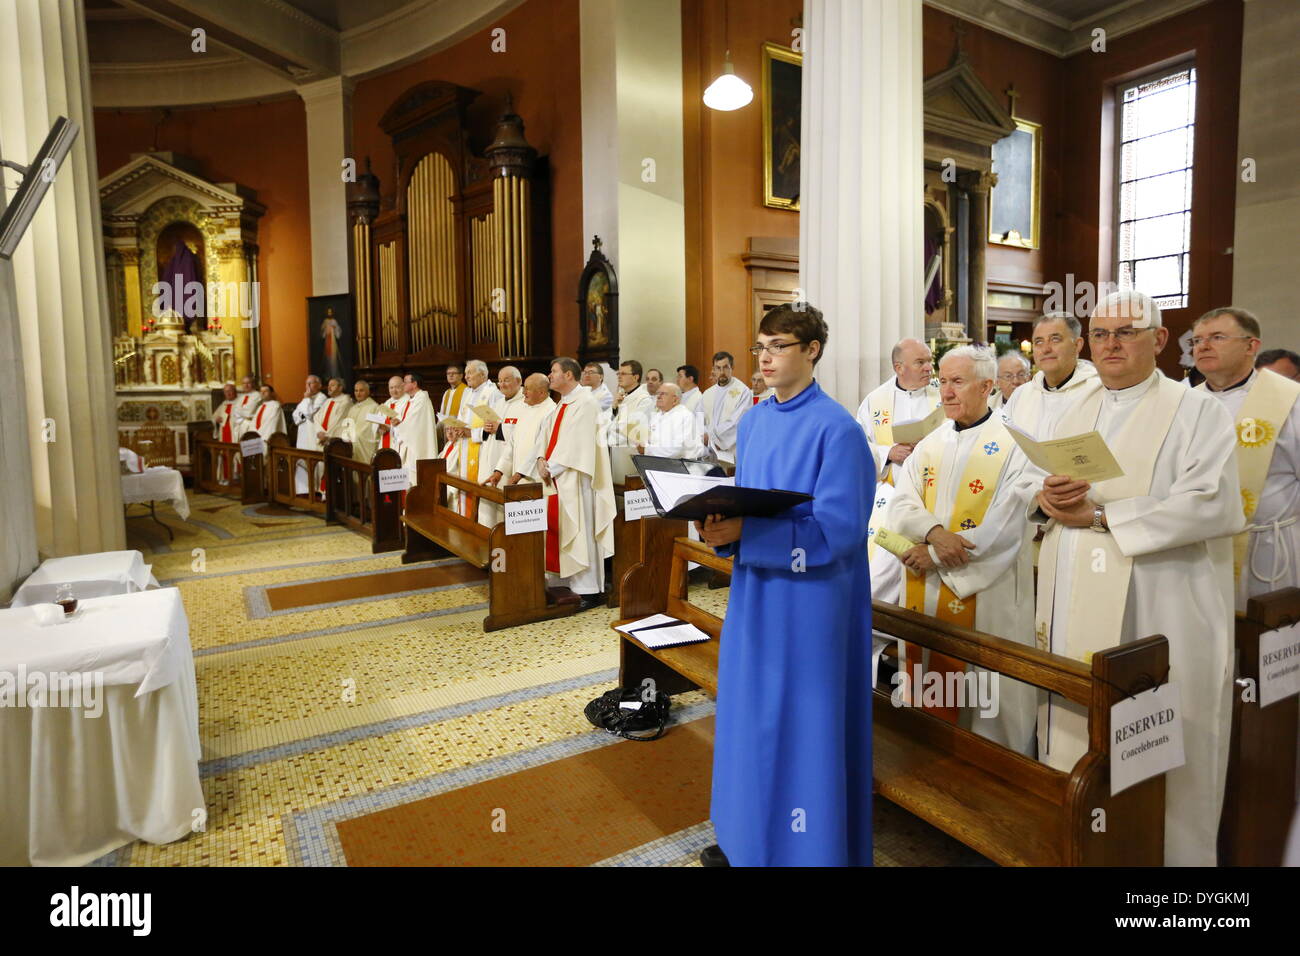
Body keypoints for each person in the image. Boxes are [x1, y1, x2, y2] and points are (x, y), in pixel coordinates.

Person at [1030, 290, 1242, 867]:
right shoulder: (1074, 409)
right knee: (1082, 744)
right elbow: (1037, 481)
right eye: (1100, 335)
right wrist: (1047, 496)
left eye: (1126, 332)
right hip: (1076, 595)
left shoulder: (1197, 410)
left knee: (1162, 744)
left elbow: (1213, 504)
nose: (1111, 344)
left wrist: (1102, 516)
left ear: (1161, 339)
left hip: (1161, 599)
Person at [695, 302, 873, 868]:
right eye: (760, 347)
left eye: (778, 346)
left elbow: (838, 534)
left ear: (812, 351)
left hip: (811, 602)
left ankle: (806, 855)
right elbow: (744, 502)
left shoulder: (839, 430)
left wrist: (751, 533)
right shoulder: (754, 421)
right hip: (756, 595)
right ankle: (747, 844)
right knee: (750, 716)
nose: (765, 358)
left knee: (802, 729)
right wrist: (719, 527)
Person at [883, 345, 1038, 753]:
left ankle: (996, 777)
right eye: (942, 381)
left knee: (987, 701)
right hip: (928, 588)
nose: (946, 392)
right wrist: (934, 533)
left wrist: (933, 555)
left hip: (987, 593)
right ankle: (928, 765)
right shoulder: (931, 442)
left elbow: (1008, 525)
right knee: (932, 690)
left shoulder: (1016, 444)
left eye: (957, 382)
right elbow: (900, 503)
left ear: (987, 386)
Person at [1192, 307, 1300, 609]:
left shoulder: (1289, 400)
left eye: (1217, 337)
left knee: (1264, 644)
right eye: (1197, 340)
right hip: (1197, 546)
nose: (1203, 346)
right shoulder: (1183, 401)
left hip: (1266, 549)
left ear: (1251, 346)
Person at [856, 338, 939, 604]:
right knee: (881, 571)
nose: (929, 367)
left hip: (933, 497)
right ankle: (881, 631)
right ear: (899, 367)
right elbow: (857, 447)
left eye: (929, 360)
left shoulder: (943, 397)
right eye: (921, 362)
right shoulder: (875, 401)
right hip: (890, 497)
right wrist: (888, 453)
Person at [535, 357, 616, 610]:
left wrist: (551, 466)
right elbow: (545, 432)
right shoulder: (563, 404)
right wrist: (540, 458)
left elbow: (577, 442)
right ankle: (565, 581)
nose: (550, 375)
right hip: (559, 477)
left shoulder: (586, 403)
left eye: (554, 371)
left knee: (581, 531)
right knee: (565, 529)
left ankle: (588, 590)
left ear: (569, 375)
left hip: (578, 478)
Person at [1003, 313, 1099, 439]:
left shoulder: (1098, 392)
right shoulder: (1021, 395)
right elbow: (1001, 443)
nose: (1045, 349)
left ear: (1077, 345)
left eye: (1055, 339)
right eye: (1039, 342)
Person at [454, 359, 506, 523]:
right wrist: (457, 428)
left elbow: (495, 426)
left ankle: (477, 526)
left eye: (470, 372)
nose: (466, 376)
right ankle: (465, 523)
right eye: (466, 372)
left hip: (482, 450)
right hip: (465, 447)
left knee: (479, 492)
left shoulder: (493, 393)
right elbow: (462, 419)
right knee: (465, 488)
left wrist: (472, 433)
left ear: (483, 374)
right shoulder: (468, 393)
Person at [486, 373, 555, 486]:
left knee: (534, 504)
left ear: (541, 393)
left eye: (527, 389)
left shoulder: (550, 412)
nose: (523, 392)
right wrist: (499, 471)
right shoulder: (525, 409)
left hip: (536, 479)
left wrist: (519, 474)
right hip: (518, 477)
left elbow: (539, 448)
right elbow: (512, 443)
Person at [699, 351, 751, 467]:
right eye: (718, 368)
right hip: (709, 452)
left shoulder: (742, 391)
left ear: (732, 368)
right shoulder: (708, 393)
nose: (722, 372)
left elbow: (738, 422)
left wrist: (713, 439)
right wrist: (704, 436)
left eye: (726, 367)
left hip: (731, 452)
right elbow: (699, 419)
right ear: (714, 369)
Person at [393, 372, 438, 487]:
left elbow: (413, 424)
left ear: (414, 384)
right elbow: (406, 419)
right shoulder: (410, 400)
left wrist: (399, 426)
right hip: (408, 443)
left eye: (405, 381)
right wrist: (397, 422)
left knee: (414, 480)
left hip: (416, 446)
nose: (403, 384)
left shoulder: (421, 399)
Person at [637, 383, 704, 458]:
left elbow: (677, 449)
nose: (658, 396)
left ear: (675, 399)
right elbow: (648, 440)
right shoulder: (657, 416)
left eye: (663, 394)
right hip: (657, 463)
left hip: (680, 466)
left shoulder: (685, 416)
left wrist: (647, 450)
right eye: (658, 393)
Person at [312, 377, 353, 494]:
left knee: (330, 469)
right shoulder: (328, 401)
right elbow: (316, 417)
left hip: (333, 441)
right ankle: (322, 491)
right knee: (320, 467)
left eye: (333, 385)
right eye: (329, 385)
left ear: (340, 387)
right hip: (322, 438)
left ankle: (330, 494)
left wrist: (327, 436)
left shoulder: (345, 401)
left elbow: (338, 421)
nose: (329, 387)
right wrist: (319, 432)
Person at [291, 375, 326, 494]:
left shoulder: (322, 398)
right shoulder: (307, 398)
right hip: (303, 435)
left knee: (313, 461)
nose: (308, 386)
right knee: (302, 460)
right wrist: (303, 413)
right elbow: (295, 415)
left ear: (319, 385)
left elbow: (310, 414)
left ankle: (315, 490)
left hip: (313, 435)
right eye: (307, 384)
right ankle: (303, 491)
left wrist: (307, 400)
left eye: (311, 383)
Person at [608, 359, 653, 448]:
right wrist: (614, 408)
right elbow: (606, 424)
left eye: (623, 374)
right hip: (615, 449)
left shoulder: (644, 401)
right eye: (618, 373)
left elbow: (632, 430)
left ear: (636, 377)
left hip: (628, 450)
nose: (619, 377)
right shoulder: (622, 397)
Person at [343, 379, 381, 464]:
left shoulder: (374, 407)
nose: (358, 393)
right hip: (351, 445)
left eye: (361, 390)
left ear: (368, 392)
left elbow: (374, 430)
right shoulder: (353, 408)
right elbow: (347, 425)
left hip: (365, 445)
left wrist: (356, 435)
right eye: (356, 390)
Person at [375, 375, 409, 454]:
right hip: (384, 440)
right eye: (391, 388)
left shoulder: (408, 402)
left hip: (399, 444)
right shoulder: (386, 404)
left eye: (397, 387)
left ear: (403, 386)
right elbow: (378, 422)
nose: (394, 390)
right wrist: (379, 428)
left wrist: (390, 428)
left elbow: (408, 424)